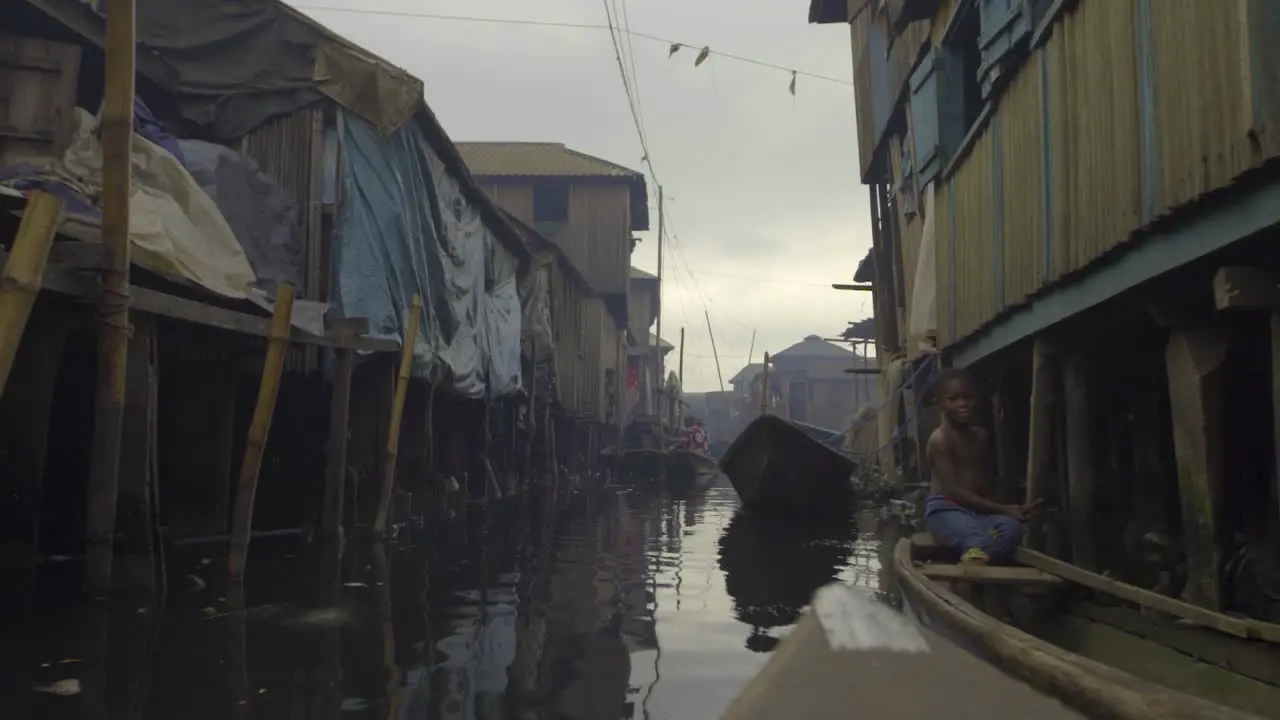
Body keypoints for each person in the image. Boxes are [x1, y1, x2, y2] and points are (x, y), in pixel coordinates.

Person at [924, 368, 1041, 566]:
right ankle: (971, 570)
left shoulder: (980, 436)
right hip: (946, 510)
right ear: (940, 403)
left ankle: (974, 559)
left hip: (978, 513)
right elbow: (952, 490)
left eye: (968, 397)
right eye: (953, 399)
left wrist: (1006, 512)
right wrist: (1003, 509)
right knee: (976, 538)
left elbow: (985, 482)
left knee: (1012, 530)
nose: (963, 404)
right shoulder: (940, 440)